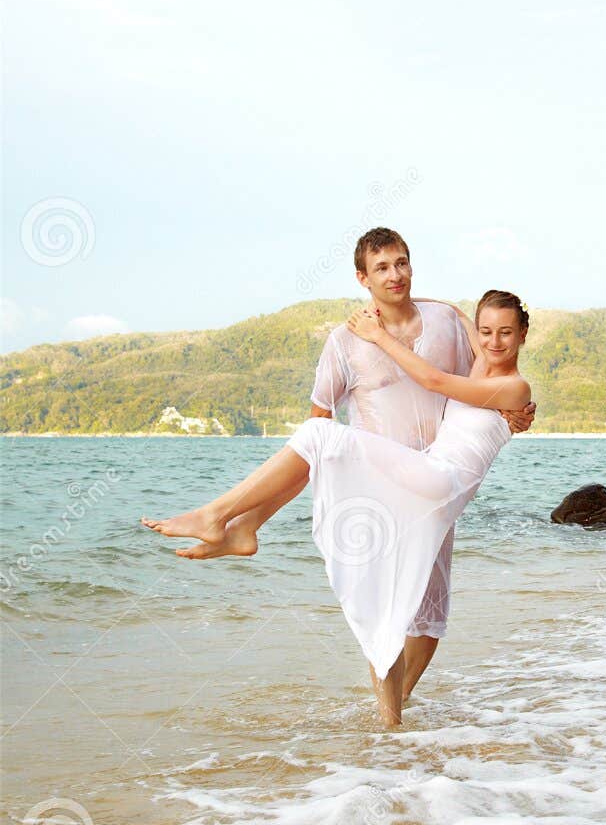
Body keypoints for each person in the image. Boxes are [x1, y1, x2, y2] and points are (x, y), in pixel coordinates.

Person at [142, 290, 531, 730]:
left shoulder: (515, 387)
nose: (494, 340)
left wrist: (376, 333)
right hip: (435, 491)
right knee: (398, 601)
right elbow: (457, 313)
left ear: (522, 335)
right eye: (486, 331)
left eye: (505, 333)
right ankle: (391, 722)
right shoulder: (483, 362)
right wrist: (389, 303)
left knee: (317, 434)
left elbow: (436, 382)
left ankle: (219, 516)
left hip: (437, 480)